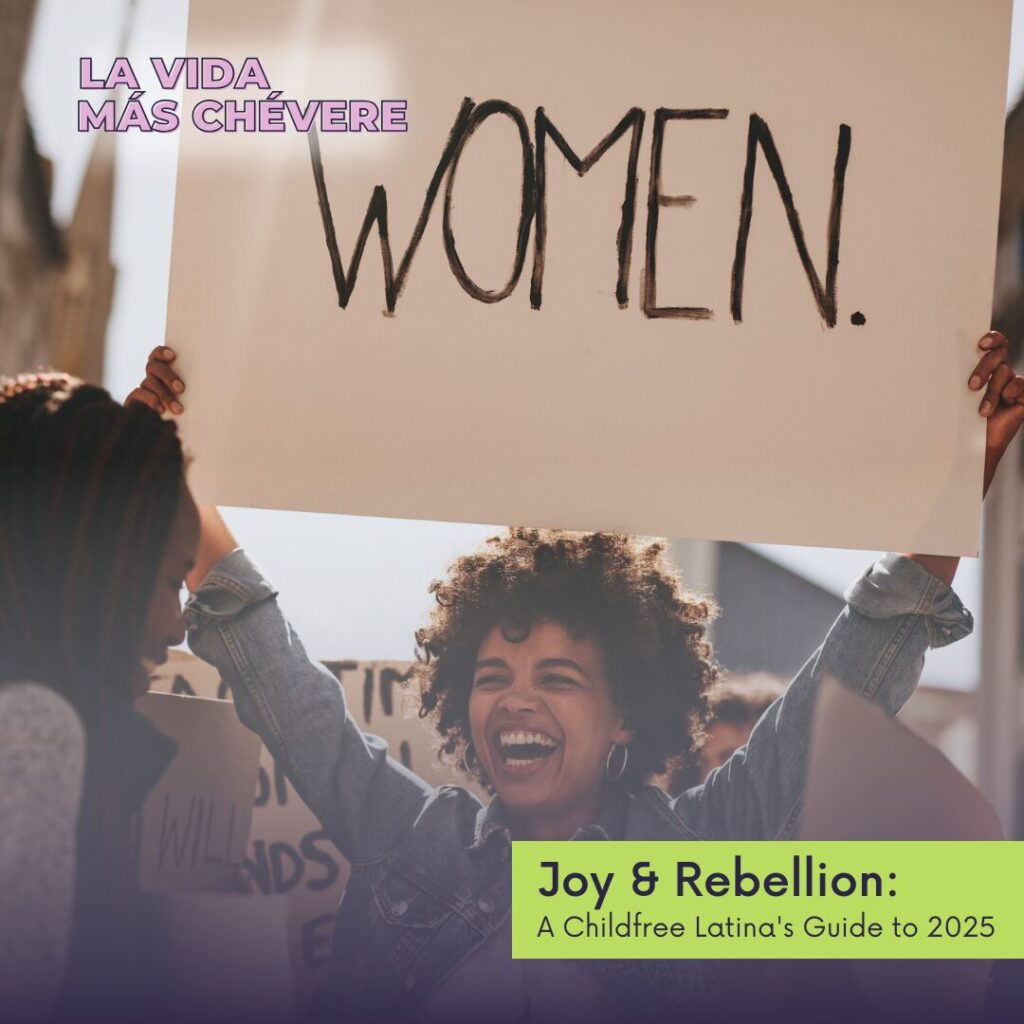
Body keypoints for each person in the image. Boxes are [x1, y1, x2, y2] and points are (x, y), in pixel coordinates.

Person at [131, 332, 1024, 1022]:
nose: (517, 697)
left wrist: (961, 467)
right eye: (493, 675)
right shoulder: (413, 842)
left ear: (627, 715)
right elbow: (271, 664)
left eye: (558, 677)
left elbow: (857, 666)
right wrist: (164, 460)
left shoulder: (700, 859)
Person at [0, 372, 199, 1022]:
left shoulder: (525, 882)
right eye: (171, 581)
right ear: (95, 564)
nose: (177, 626)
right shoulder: (34, 728)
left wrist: (111, 465)